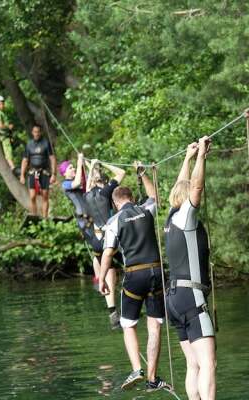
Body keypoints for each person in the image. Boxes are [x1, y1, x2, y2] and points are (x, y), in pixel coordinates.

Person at [98, 166, 171, 391]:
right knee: (155, 325)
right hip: (157, 272)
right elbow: (154, 195)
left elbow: (108, 253)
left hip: (134, 274)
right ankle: (152, 378)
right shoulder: (146, 209)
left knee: (127, 324)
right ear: (131, 198)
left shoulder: (113, 222)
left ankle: (137, 368)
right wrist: (143, 174)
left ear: (115, 203)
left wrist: (102, 279)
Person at [165, 136, 216, 400]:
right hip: (190, 297)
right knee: (208, 363)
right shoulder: (185, 216)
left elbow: (182, 185)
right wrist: (201, 156)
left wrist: (187, 157)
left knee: (193, 364)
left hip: (173, 300)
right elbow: (194, 187)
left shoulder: (171, 218)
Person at [58, 155, 123, 329]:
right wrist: (81, 162)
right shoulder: (66, 184)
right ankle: (100, 280)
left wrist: (89, 163)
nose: (73, 169)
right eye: (69, 168)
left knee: (101, 257)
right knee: (104, 260)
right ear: (64, 173)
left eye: (73, 167)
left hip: (94, 224)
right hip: (88, 224)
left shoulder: (90, 191)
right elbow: (80, 182)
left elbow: (88, 181)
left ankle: (101, 280)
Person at [84, 159, 126, 327]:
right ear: (106, 183)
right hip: (110, 238)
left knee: (106, 269)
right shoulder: (106, 193)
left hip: (96, 240)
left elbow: (88, 183)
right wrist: (102, 163)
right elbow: (121, 173)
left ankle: (113, 312)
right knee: (121, 268)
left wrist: (93, 166)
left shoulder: (87, 194)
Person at [19, 124, 56, 218]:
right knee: (32, 196)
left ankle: (45, 218)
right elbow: (25, 160)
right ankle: (34, 216)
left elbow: (52, 158)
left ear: (41, 132)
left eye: (38, 132)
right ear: (32, 132)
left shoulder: (46, 143)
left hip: (44, 172)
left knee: (45, 196)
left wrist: (54, 174)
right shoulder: (29, 144)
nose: (36, 134)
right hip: (33, 172)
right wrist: (22, 175)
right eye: (35, 132)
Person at [0, 95, 18, 173]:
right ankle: (12, 167)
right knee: (8, 151)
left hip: (7, 135)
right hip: (4, 136)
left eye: (2, 103)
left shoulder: (2, 112)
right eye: (0, 104)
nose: (2, 105)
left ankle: (12, 165)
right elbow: (0, 126)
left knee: (10, 150)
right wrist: (8, 126)